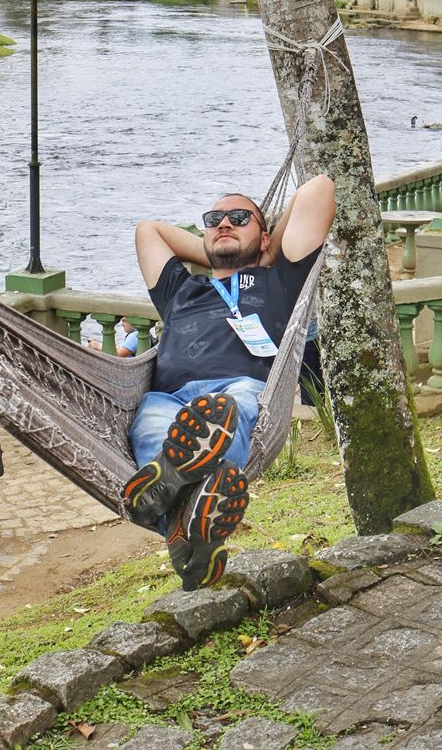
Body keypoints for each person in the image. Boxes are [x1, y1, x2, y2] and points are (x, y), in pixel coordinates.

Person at [122, 175, 335, 591]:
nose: (223, 223)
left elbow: (320, 189)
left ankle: (171, 495)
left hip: (241, 386)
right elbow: (148, 230)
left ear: (265, 235)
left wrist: (268, 251)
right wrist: (218, 246)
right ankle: (184, 520)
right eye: (214, 219)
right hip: (168, 398)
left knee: (231, 414)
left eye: (239, 218)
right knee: (151, 431)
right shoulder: (181, 289)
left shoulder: (281, 281)